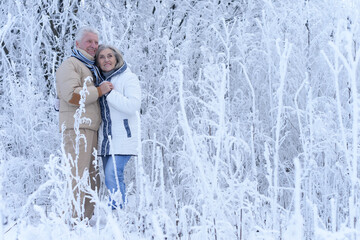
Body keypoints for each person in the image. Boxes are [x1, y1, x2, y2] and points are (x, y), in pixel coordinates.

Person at [56, 26, 113, 222]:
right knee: (77, 175)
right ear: (78, 43)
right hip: (76, 128)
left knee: (91, 178)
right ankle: (72, 221)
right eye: (89, 41)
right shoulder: (70, 65)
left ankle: (85, 221)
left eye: (96, 42)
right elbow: (71, 95)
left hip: (90, 129)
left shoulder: (91, 67)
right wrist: (98, 91)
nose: (93, 46)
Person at [95, 44, 141, 209]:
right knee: (110, 178)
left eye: (109, 56)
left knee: (112, 175)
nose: (106, 60)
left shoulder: (128, 78)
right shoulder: (98, 81)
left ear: (116, 58)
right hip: (106, 139)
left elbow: (133, 106)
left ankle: (118, 216)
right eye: (101, 57)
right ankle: (118, 211)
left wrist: (109, 93)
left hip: (124, 136)